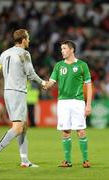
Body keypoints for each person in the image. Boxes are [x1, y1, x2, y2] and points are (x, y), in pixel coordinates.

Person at [0, 29, 47, 168]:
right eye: (27, 38)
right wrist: (43, 83)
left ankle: (24, 161)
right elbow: (31, 74)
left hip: (8, 92)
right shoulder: (24, 53)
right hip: (17, 92)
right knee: (17, 127)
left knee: (23, 127)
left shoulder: (5, 54)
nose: (29, 41)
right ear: (23, 40)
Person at [45, 40, 92, 168]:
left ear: (72, 50)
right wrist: (46, 85)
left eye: (64, 48)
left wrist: (88, 104)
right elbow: (51, 81)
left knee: (81, 131)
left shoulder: (82, 65)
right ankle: (67, 161)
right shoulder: (58, 66)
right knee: (65, 131)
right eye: (61, 49)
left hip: (78, 102)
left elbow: (89, 86)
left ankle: (86, 160)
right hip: (63, 102)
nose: (62, 51)